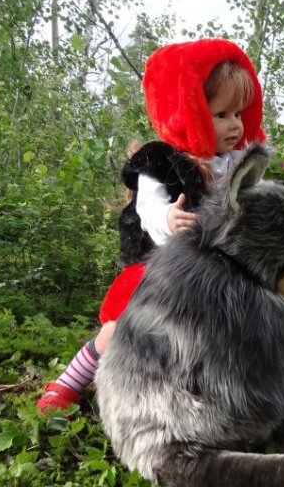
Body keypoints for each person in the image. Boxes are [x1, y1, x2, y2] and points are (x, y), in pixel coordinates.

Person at [36, 38, 266, 412]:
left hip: (213, 271)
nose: (234, 125)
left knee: (232, 332)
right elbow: (148, 208)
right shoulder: (160, 161)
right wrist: (168, 219)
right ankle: (69, 383)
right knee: (121, 328)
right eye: (221, 114)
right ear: (187, 112)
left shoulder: (238, 162)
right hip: (160, 266)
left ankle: (242, 398)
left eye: (239, 114)